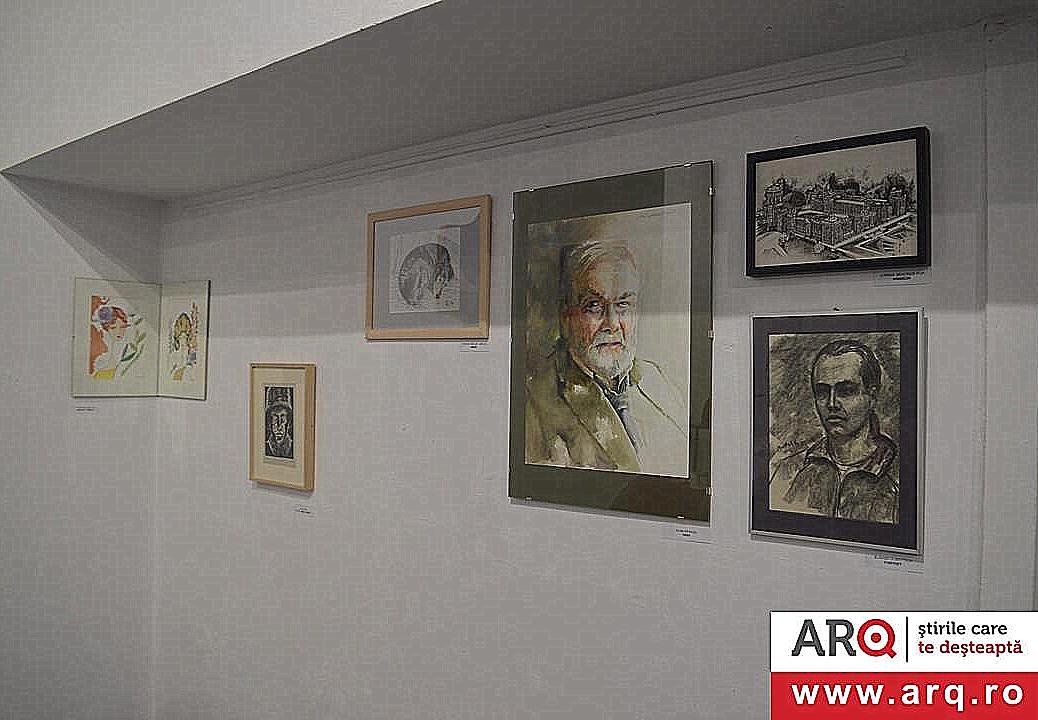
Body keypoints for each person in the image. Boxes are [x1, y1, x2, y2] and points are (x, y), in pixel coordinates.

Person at [525, 241, 688, 479]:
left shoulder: (659, 381)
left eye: (623, 305)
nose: (612, 324)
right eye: (594, 306)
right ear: (566, 317)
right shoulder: (533, 401)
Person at [768, 339, 899, 523]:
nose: (831, 404)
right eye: (822, 392)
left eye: (846, 391)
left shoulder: (899, 477)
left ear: (872, 396)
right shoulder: (788, 469)